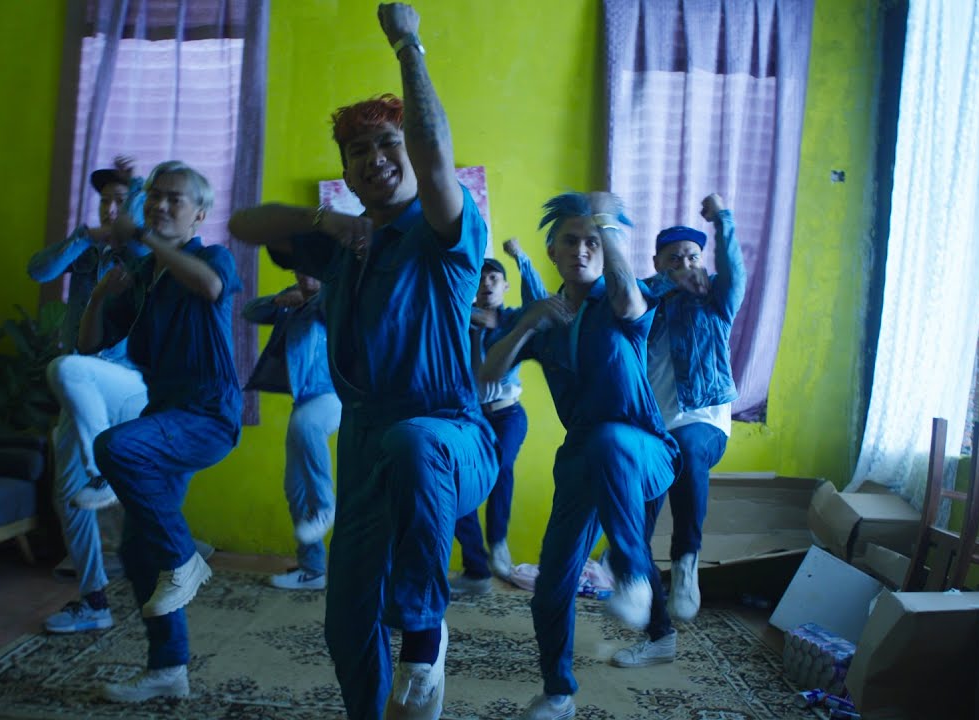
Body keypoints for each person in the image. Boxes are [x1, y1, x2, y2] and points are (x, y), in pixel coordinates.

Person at [227, 4, 499, 717]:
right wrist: (325, 220)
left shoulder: (445, 235)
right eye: (357, 150)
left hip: (450, 434)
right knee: (348, 620)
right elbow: (242, 224)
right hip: (364, 442)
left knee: (414, 442)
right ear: (346, 171)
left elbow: (435, 157)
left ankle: (424, 633)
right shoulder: (343, 248)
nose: (374, 157)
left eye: (387, 142)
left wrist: (408, 46)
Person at [480, 192, 679, 720]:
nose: (582, 250)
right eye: (570, 241)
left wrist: (604, 220)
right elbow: (487, 375)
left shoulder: (620, 302)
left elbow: (629, 298)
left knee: (611, 439)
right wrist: (527, 323)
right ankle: (557, 693)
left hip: (643, 449)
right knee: (552, 586)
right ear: (552, 250)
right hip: (582, 461)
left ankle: (631, 574)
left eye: (592, 241)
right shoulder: (546, 317)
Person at [78, 161, 244, 703]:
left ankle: (185, 557)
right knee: (136, 549)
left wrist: (143, 237)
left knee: (114, 446)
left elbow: (211, 287)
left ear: (199, 214)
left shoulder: (210, 257)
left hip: (208, 415)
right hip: (164, 416)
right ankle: (168, 668)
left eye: (175, 198)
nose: (161, 205)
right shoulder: (144, 277)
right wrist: (100, 296)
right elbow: (88, 344)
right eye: (154, 197)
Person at [27, 156, 150, 634]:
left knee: (145, 494)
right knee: (69, 496)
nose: (110, 210)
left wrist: (135, 195)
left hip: (127, 383)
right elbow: (39, 271)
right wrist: (84, 236)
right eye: (105, 202)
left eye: (119, 201)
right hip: (80, 387)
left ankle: (166, 578)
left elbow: (140, 243)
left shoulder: (143, 253)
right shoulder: (86, 252)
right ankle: (94, 599)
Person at [623, 193, 744, 639]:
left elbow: (734, 274)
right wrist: (670, 281)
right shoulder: (648, 300)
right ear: (657, 262)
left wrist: (723, 221)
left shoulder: (714, 299)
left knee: (689, 449)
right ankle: (653, 619)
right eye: (674, 258)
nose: (686, 264)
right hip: (656, 428)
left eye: (693, 256)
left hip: (703, 422)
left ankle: (686, 561)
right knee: (636, 515)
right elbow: (627, 296)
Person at [450, 237, 547, 595]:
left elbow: (539, 305)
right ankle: (476, 571)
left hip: (508, 416)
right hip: (471, 417)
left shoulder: (513, 319)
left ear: (505, 287)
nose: (486, 284)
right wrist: (468, 316)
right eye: (480, 279)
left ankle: (498, 542)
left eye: (494, 278)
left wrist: (521, 257)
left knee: (500, 467)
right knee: (457, 487)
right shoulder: (460, 319)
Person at [242, 272, 341, 591]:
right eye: (299, 268)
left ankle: (325, 506)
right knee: (295, 489)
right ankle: (312, 569)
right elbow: (250, 311)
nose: (304, 273)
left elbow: (333, 309)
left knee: (306, 424)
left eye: (311, 267)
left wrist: (312, 298)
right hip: (304, 399)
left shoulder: (338, 292)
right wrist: (279, 300)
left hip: (336, 394)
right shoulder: (292, 298)